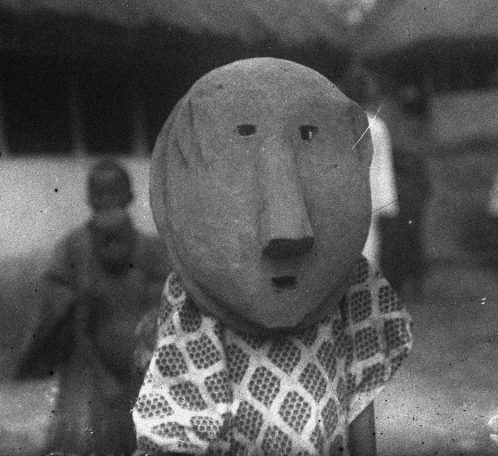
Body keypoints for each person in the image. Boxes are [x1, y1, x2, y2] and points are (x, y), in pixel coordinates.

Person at [133, 58, 412, 455]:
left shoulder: (354, 289)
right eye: (243, 134)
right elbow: (183, 432)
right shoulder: (193, 311)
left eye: (308, 136)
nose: (289, 230)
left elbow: (360, 398)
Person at [14, 158, 168, 456]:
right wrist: (73, 298)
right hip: (87, 364)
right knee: (81, 440)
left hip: (141, 366)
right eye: (102, 207)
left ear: (128, 202)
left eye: (116, 205)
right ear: (91, 205)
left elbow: (171, 297)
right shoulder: (74, 247)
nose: (109, 214)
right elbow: (52, 297)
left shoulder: (150, 248)